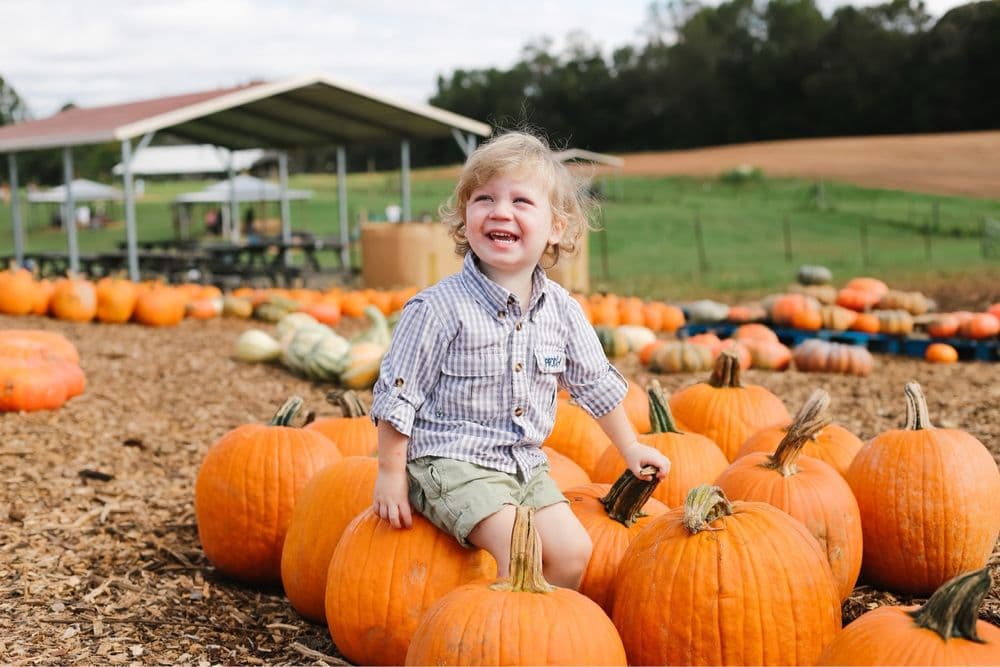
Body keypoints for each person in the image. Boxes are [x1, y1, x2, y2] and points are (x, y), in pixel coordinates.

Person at [369, 131, 670, 589]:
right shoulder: (438, 309)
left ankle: (539, 627)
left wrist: (630, 448)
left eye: (520, 201)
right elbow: (398, 395)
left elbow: (594, 383)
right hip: (450, 463)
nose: (500, 211)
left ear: (555, 228)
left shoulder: (562, 311)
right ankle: (498, 627)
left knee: (573, 552)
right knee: (521, 549)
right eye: (484, 199)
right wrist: (390, 474)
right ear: (465, 218)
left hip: (524, 467)